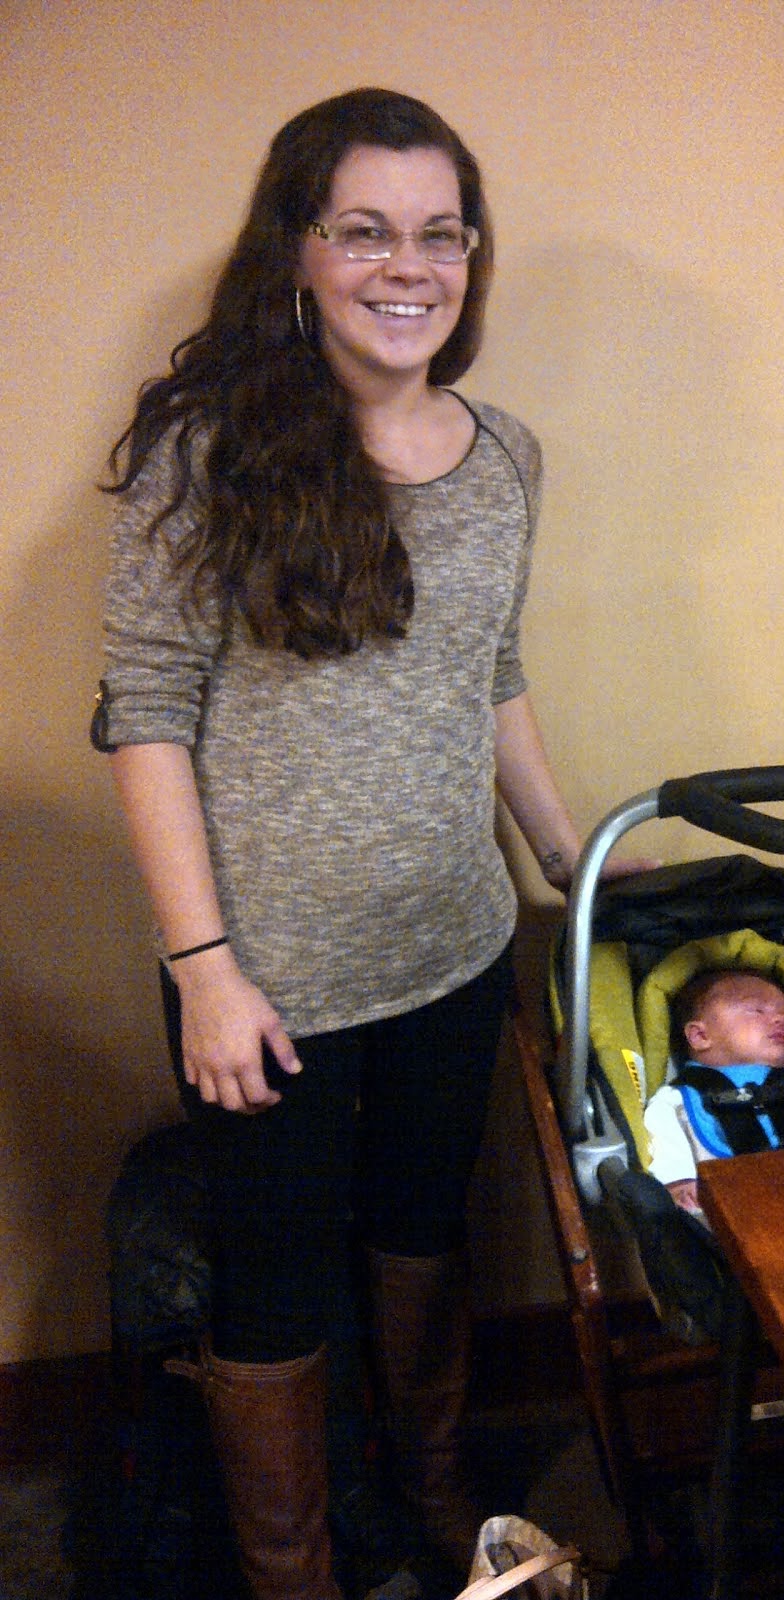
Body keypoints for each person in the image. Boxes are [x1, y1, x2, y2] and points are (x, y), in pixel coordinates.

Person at [95, 87, 645, 1600]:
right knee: (274, 1288)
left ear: (471, 256)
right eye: (366, 231)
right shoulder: (204, 452)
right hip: (266, 981)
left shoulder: (507, 455)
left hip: (453, 949)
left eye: (441, 235)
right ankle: (296, 1573)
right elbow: (146, 713)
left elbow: (492, 673)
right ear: (299, 249)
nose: (410, 267)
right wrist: (204, 970)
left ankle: (433, 1496)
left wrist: (569, 858)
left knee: (422, 1234)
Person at [643, 969, 784, 1216]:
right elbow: (664, 1137)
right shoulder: (676, 1101)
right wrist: (679, 1182)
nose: (780, 1020)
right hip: (738, 1211)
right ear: (700, 1035)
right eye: (757, 1011)